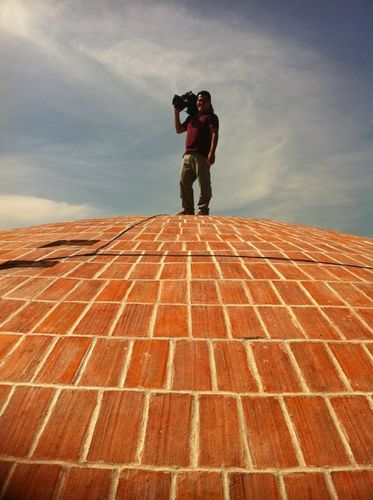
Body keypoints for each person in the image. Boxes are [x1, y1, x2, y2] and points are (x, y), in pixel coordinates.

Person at [174, 90, 219, 215]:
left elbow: (214, 134)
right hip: (187, 155)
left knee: (204, 183)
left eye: (204, 100)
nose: (201, 103)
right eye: (199, 100)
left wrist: (212, 153)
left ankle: (203, 209)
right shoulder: (191, 118)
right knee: (184, 182)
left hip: (202, 155)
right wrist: (176, 113)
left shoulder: (211, 117)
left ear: (209, 103)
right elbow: (178, 130)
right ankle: (188, 209)